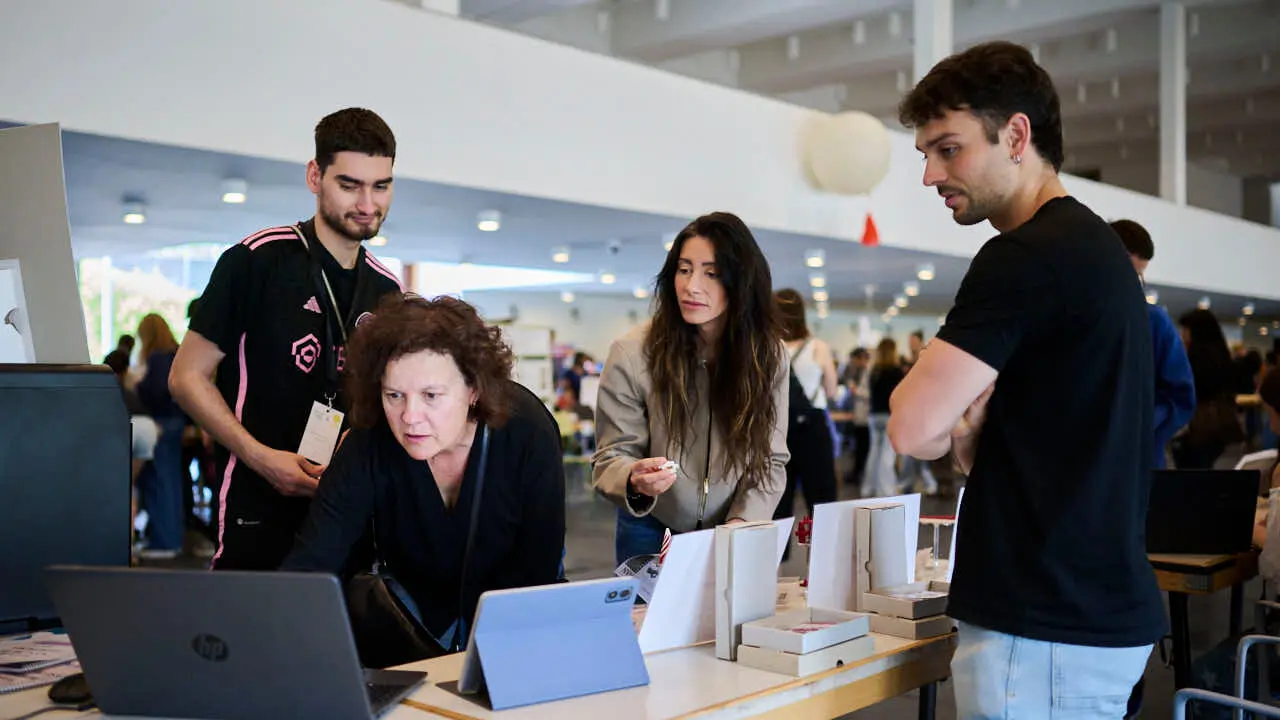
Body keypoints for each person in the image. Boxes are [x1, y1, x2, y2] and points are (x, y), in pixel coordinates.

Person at [890, 41, 1163, 716]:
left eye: (948, 149)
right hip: (1083, 611)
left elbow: (911, 427)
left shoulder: (1025, 257)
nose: (929, 175)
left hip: (1042, 624)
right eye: (924, 153)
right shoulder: (1093, 249)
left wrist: (950, 431)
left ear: (1016, 135)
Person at [170, 108, 404, 570]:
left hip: (346, 511)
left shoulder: (387, 291)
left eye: (381, 186)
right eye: (349, 184)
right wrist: (260, 458)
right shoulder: (256, 261)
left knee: (342, 640)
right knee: (251, 637)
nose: (367, 203)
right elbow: (186, 377)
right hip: (257, 503)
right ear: (315, 176)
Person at [282, 294, 565, 657]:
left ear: (474, 389)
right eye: (394, 395)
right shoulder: (370, 439)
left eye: (431, 395)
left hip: (515, 621)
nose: (410, 416)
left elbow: (538, 568)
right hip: (406, 624)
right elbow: (313, 561)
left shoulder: (527, 430)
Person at [592, 211, 789, 564]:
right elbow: (610, 458)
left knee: (732, 620)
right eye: (684, 269)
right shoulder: (632, 353)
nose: (691, 285)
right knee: (647, 621)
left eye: (711, 273)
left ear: (741, 282)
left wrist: (743, 522)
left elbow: (770, 460)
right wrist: (633, 479)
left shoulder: (767, 356)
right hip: (651, 526)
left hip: (735, 524)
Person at [1111, 219, 1196, 469]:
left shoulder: (1153, 322)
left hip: (1136, 463)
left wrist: (1138, 423)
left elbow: (1181, 398)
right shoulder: (1071, 314)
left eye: (1138, 275)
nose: (1133, 283)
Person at [772, 288, 838, 524]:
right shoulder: (817, 346)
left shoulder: (767, 346)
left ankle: (775, 558)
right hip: (812, 426)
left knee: (776, 497)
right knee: (821, 497)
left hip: (777, 428)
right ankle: (822, 555)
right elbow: (831, 390)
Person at [134, 313, 187, 559]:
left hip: (160, 424)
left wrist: (137, 386)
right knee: (173, 483)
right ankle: (173, 539)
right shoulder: (177, 354)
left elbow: (155, 392)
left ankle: (163, 542)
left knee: (160, 482)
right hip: (177, 423)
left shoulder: (156, 359)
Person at [1174, 309, 1245, 469]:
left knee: (1192, 477)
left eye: (1186, 330)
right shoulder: (1223, 357)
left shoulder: (1194, 360)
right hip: (1219, 426)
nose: (1183, 334)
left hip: (1198, 429)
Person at [864, 338, 905, 498]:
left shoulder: (874, 370)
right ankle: (886, 490)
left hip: (874, 416)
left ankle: (869, 487)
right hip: (889, 415)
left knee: (874, 452)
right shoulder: (896, 371)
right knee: (887, 455)